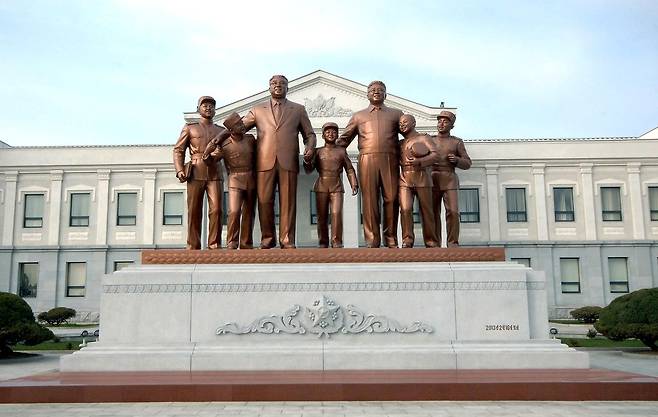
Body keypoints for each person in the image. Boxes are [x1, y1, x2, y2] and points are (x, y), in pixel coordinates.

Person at [242, 75, 316, 249]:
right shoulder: (258, 109)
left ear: (288, 88)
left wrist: (310, 147)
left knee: (288, 202)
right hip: (264, 161)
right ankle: (268, 238)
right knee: (265, 201)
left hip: (288, 161)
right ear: (269, 88)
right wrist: (221, 136)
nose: (278, 86)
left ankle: (287, 239)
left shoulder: (298, 109)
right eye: (274, 83)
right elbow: (240, 128)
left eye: (282, 83)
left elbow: (310, 134)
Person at [337, 81, 403, 248]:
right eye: (372, 90)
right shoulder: (359, 116)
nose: (376, 92)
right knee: (369, 200)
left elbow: (408, 134)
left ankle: (390, 237)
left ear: (386, 94)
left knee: (392, 198)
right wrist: (327, 149)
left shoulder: (396, 114)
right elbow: (344, 139)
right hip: (367, 159)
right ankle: (372, 239)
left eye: (380, 90)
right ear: (367, 95)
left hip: (390, 159)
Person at [173, 96, 225, 250]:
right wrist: (179, 169)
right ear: (198, 109)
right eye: (205, 105)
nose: (208, 108)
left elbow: (225, 150)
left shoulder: (221, 131)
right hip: (196, 171)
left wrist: (217, 155)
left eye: (211, 106)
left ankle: (214, 244)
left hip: (215, 172)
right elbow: (178, 150)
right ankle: (193, 245)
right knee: (194, 209)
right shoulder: (190, 128)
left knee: (217, 209)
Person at [204, 112, 256, 249]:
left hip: (251, 177)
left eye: (241, 122)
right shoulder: (224, 145)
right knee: (234, 211)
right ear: (231, 130)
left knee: (249, 212)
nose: (242, 125)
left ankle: (246, 242)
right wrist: (207, 157)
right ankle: (232, 241)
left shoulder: (250, 139)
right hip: (235, 179)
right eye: (238, 124)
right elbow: (212, 160)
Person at [304, 122, 359, 248]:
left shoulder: (341, 151)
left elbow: (349, 169)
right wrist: (307, 160)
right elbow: (309, 170)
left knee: (336, 213)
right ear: (323, 136)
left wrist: (354, 183)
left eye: (334, 132)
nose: (331, 134)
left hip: (337, 186)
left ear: (337, 135)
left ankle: (336, 241)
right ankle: (323, 241)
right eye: (327, 132)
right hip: (322, 185)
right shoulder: (318, 152)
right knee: (322, 216)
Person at [398, 114, 440, 248]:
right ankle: (407, 240)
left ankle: (431, 241)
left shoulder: (423, 138)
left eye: (405, 122)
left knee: (426, 210)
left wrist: (420, 161)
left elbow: (435, 155)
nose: (402, 125)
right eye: (400, 124)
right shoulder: (400, 143)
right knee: (405, 209)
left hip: (422, 177)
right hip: (405, 178)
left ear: (413, 123)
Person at [431, 110, 471, 247]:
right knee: (432, 213)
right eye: (440, 121)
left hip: (449, 179)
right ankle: (434, 244)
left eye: (445, 121)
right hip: (432, 179)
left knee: (453, 212)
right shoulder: (429, 140)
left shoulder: (456, 142)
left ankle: (453, 242)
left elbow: (467, 163)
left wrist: (457, 160)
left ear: (451, 126)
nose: (441, 123)